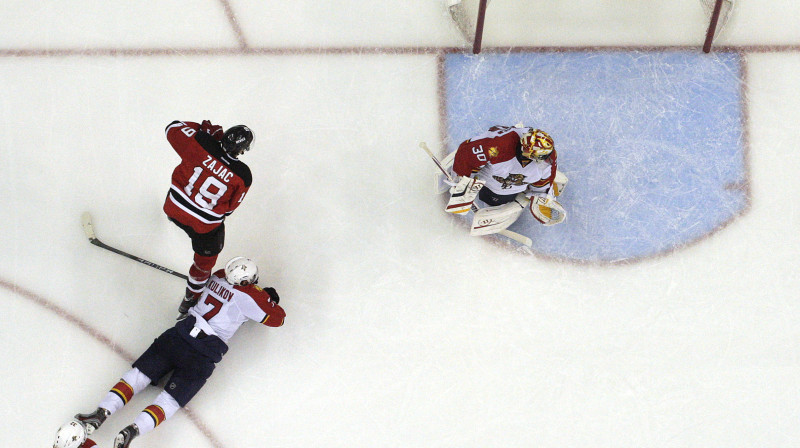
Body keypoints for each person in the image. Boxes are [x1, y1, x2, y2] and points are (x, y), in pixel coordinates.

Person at [52, 257, 285, 448]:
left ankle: (101, 412)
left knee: (138, 376)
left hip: (178, 336)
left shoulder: (220, 274)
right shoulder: (252, 296)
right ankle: (132, 431)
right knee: (170, 401)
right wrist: (267, 298)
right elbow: (278, 319)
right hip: (203, 354)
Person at [162, 120, 255, 318]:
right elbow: (229, 209)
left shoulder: (201, 142)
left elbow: (172, 128)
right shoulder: (243, 175)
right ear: (243, 150)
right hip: (203, 225)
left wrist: (201, 130)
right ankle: (191, 297)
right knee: (205, 261)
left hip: (174, 208)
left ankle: (174, 218)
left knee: (183, 212)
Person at [444, 124, 568, 235]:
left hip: (511, 178)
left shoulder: (548, 159)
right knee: (494, 199)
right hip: (491, 180)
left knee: (533, 178)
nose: (547, 159)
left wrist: (542, 195)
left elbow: (544, 177)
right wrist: (461, 177)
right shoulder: (498, 146)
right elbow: (467, 153)